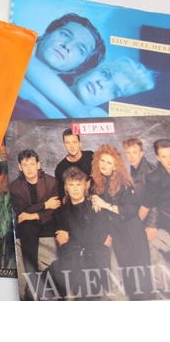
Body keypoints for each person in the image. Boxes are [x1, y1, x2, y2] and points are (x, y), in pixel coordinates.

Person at [90, 144, 153, 300]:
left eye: (109, 162)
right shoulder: (96, 183)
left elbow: (130, 210)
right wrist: (93, 201)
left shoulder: (124, 183)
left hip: (132, 231)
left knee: (141, 272)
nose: (104, 165)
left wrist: (105, 205)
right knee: (127, 273)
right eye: (102, 161)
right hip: (116, 232)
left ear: (115, 167)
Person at [13, 13, 106, 119]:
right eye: (65, 34)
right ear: (49, 32)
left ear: (80, 67)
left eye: (80, 49)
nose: (67, 45)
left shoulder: (57, 97)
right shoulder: (13, 35)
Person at [17, 56, 155, 120]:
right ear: (93, 70)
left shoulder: (96, 118)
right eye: (105, 74)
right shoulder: (45, 75)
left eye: (114, 91)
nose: (102, 83)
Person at [47, 167, 112, 300]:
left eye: (78, 184)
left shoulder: (96, 207)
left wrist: (70, 235)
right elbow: (63, 242)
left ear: (85, 186)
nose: (75, 189)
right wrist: (88, 237)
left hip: (95, 260)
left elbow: (99, 235)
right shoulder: (59, 213)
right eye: (71, 185)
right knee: (47, 278)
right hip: (73, 259)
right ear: (66, 187)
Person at [9, 149, 60, 299]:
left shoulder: (51, 182)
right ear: (20, 167)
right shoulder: (15, 187)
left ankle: (53, 285)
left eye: (32, 164)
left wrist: (34, 214)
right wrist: (45, 205)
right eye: (25, 165)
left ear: (38, 165)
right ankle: (31, 283)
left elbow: (55, 209)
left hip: (49, 222)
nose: (29, 168)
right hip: (28, 226)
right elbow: (21, 212)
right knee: (27, 227)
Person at [140, 139, 170, 297]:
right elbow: (148, 204)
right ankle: (164, 288)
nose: (169, 160)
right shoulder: (155, 177)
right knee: (149, 244)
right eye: (164, 156)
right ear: (158, 158)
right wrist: (148, 224)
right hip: (165, 223)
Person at [54, 128, 94, 201]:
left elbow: (102, 177)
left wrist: (90, 182)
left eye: (74, 142)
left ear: (80, 143)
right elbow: (62, 197)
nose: (71, 146)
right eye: (68, 143)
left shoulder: (90, 156)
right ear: (64, 145)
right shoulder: (60, 168)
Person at [122, 137, 155, 220]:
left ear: (141, 154)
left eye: (134, 152)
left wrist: (151, 224)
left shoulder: (149, 171)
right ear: (125, 154)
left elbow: (154, 201)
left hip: (153, 219)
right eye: (128, 152)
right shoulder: (134, 169)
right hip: (142, 213)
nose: (131, 156)